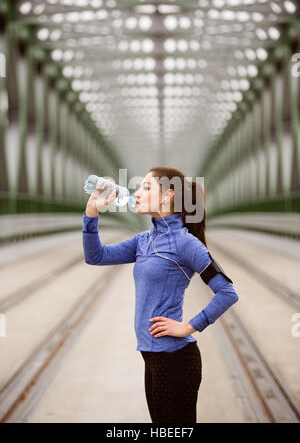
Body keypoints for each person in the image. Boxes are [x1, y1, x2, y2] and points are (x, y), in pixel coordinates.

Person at [82, 166, 239, 423]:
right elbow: (95, 256)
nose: (137, 193)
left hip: (175, 362)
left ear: (168, 197)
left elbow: (227, 292)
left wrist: (188, 326)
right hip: (153, 358)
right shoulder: (143, 241)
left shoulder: (186, 243)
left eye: (146, 188)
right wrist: (92, 210)